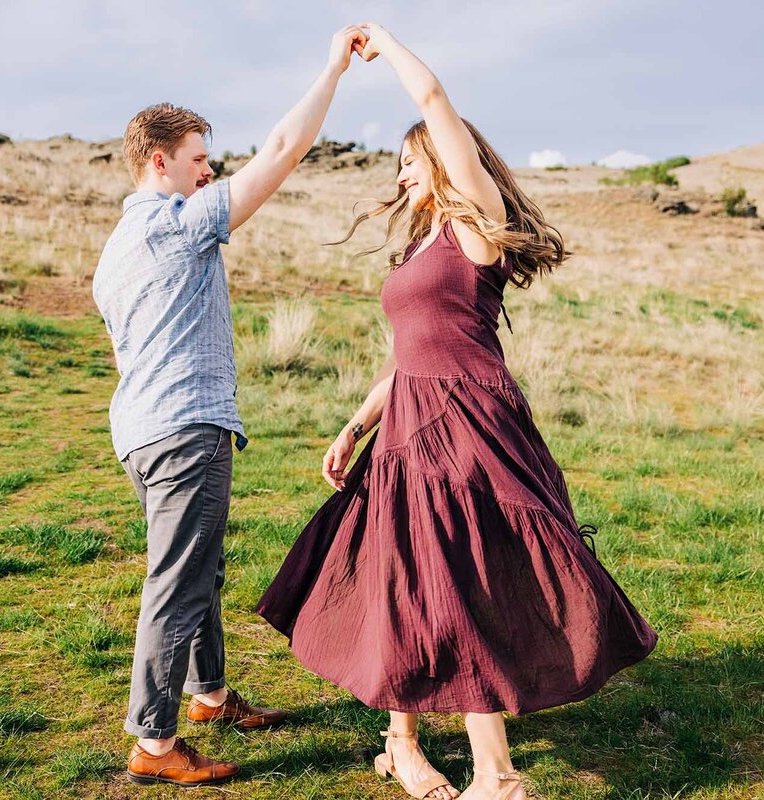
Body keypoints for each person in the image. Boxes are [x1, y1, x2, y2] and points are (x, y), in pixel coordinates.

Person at [256, 23, 658, 800]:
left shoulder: (473, 227)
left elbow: (434, 98)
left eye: (412, 161)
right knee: (400, 571)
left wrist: (384, 45)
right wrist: (357, 422)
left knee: (459, 577)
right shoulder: (420, 248)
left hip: (469, 425)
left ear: (443, 163)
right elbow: (413, 350)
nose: (402, 174)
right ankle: (405, 746)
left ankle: (495, 774)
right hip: (409, 422)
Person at [92, 25, 370, 788]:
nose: (208, 172)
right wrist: (332, 71)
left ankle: (208, 695)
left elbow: (123, 356)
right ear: (161, 161)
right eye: (198, 160)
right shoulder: (179, 226)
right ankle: (153, 742)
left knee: (198, 571)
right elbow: (282, 149)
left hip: (144, 431)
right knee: (177, 582)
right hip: (186, 431)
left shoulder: (113, 253)